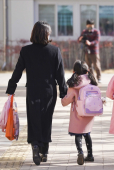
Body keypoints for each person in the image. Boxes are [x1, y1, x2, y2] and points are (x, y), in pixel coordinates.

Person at [6, 21, 67, 165]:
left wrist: (11, 88)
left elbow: (18, 71)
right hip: (49, 91)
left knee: (33, 118)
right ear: (47, 34)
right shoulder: (54, 51)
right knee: (46, 119)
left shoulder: (26, 51)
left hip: (33, 90)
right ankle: (44, 152)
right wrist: (63, 92)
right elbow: (60, 74)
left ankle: (34, 145)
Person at [61, 60, 98, 165]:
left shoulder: (74, 84)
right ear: (87, 71)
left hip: (78, 113)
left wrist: (62, 100)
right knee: (87, 134)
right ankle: (90, 155)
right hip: (89, 112)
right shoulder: (92, 81)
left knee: (78, 134)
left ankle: (80, 152)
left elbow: (67, 100)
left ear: (74, 71)